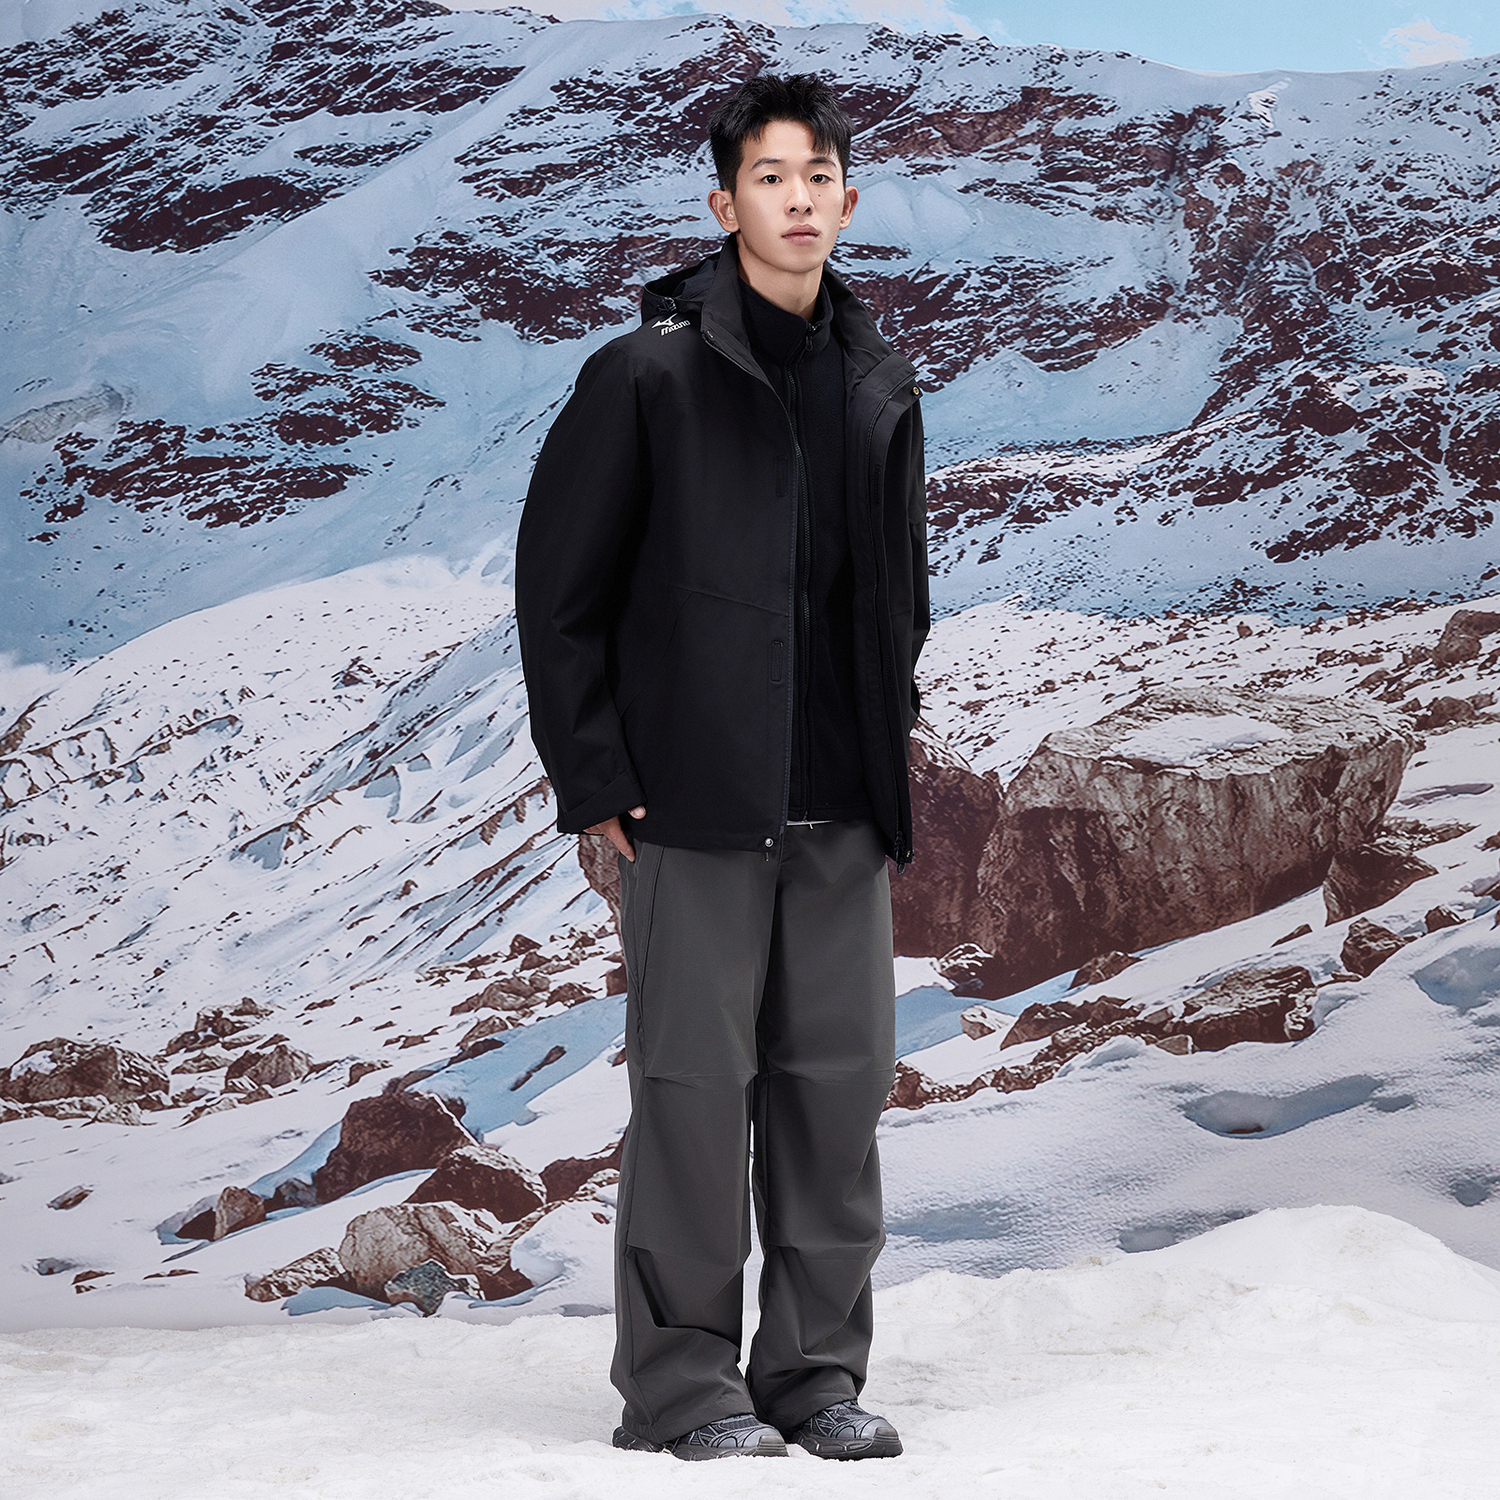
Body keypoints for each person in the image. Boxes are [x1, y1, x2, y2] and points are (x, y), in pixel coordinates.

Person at [515, 71, 929, 1462]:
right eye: (769, 177)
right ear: (723, 203)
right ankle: (682, 1390)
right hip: (694, 809)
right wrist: (595, 778)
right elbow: (558, 593)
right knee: (693, 1101)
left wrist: (884, 735)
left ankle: (812, 1377)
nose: (797, 200)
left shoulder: (878, 381)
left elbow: (899, 592)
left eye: (817, 178)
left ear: (848, 202)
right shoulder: (648, 375)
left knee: (836, 1095)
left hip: (842, 806)